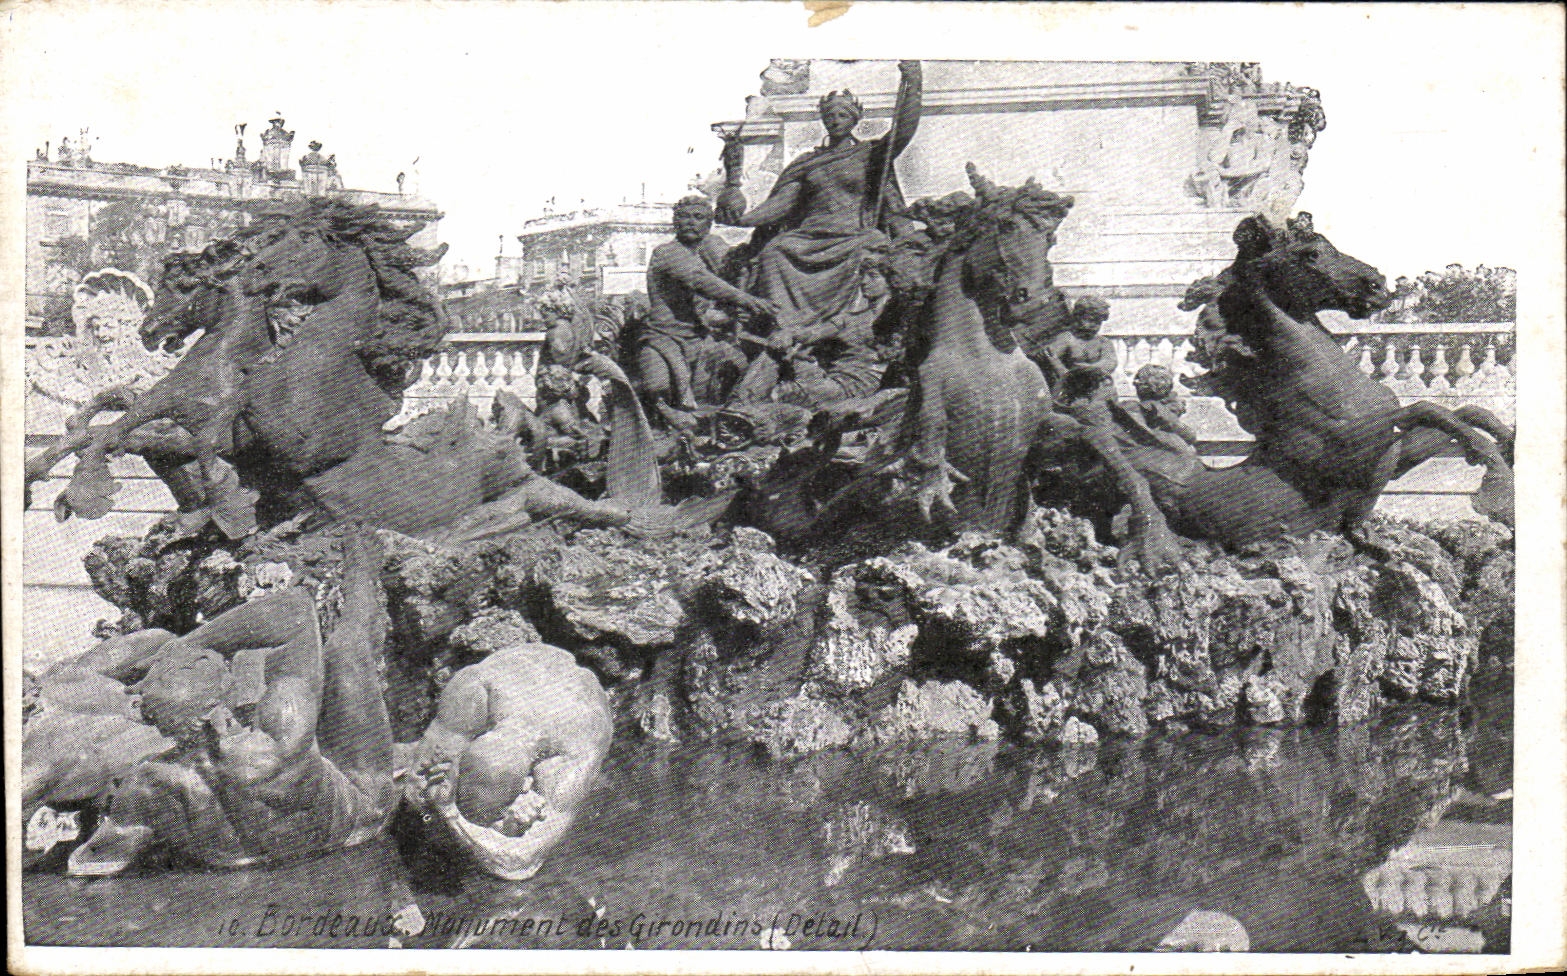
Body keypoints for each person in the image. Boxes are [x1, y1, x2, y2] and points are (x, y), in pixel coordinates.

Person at [56, 531, 397, 875]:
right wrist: (184, 646)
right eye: (203, 661)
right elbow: (295, 611)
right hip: (351, 828)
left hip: (233, 860)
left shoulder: (147, 783)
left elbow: (93, 860)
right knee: (346, 648)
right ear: (217, 698)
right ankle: (362, 558)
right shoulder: (279, 733)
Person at [716, 61, 922, 333]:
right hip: (809, 237)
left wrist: (914, 81)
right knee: (773, 252)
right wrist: (744, 220)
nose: (836, 121)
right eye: (831, 116)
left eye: (842, 116)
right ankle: (782, 325)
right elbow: (781, 204)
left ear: (854, 120)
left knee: (872, 250)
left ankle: (845, 328)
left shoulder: (870, 154)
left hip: (852, 235)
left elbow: (904, 129)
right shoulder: (808, 162)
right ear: (824, 120)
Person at [402, 642, 613, 881]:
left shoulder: (578, 750)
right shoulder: (476, 689)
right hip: (518, 671)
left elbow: (521, 860)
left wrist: (450, 814)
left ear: (528, 784)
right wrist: (433, 794)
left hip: (578, 704)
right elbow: (414, 790)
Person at [637, 195, 775, 413]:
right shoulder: (667, 252)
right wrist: (748, 300)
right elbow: (701, 281)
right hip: (663, 338)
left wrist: (732, 315)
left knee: (736, 371)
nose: (690, 222)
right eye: (684, 216)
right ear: (675, 222)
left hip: (699, 341)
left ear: (708, 224)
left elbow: (706, 307)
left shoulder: (706, 255)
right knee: (658, 386)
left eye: (698, 217)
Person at [731, 256, 893, 408]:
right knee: (773, 353)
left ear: (890, 281)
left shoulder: (897, 320)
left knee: (787, 392)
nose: (864, 282)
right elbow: (813, 333)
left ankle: (744, 411)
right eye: (863, 276)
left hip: (854, 388)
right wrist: (790, 334)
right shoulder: (850, 318)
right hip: (830, 379)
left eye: (873, 276)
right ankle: (738, 405)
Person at [1041, 295, 1119, 423]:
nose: (1092, 326)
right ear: (1078, 317)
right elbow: (1051, 357)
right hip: (1071, 388)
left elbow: (1110, 362)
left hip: (1096, 387)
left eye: (1097, 322)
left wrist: (1087, 368)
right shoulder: (1067, 338)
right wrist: (1067, 374)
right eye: (1089, 320)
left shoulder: (1103, 342)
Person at [1133, 364, 1199, 455]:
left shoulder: (1152, 407)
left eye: (1138, 382)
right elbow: (1190, 435)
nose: (1134, 383)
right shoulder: (1171, 405)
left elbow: (1189, 435)